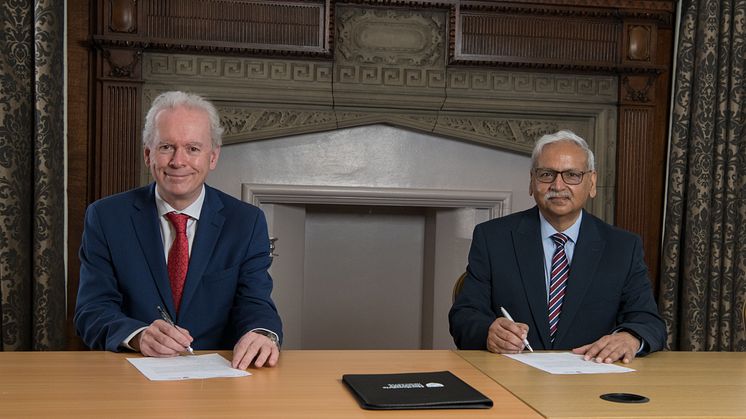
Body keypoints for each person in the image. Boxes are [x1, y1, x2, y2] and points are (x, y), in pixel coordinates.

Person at [74, 91, 282, 369]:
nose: (178, 161)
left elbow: (255, 302)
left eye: (193, 148)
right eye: (166, 147)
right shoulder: (106, 217)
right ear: (148, 155)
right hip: (131, 373)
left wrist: (261, 333)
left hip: (219, 378)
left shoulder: (246, 222)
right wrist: (137, 336)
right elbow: (92, 310)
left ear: (212, 157)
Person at [449, 130, 666, 363]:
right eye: (546, 174)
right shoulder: (493, 238)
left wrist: (630, 338)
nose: (558, 185)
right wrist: (488, 332)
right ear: (532, 182)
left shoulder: (622, 247)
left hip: (592, 381)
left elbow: (649, 322)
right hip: (511, 375)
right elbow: (464, 315)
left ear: (592, 183)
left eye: (572, 175)